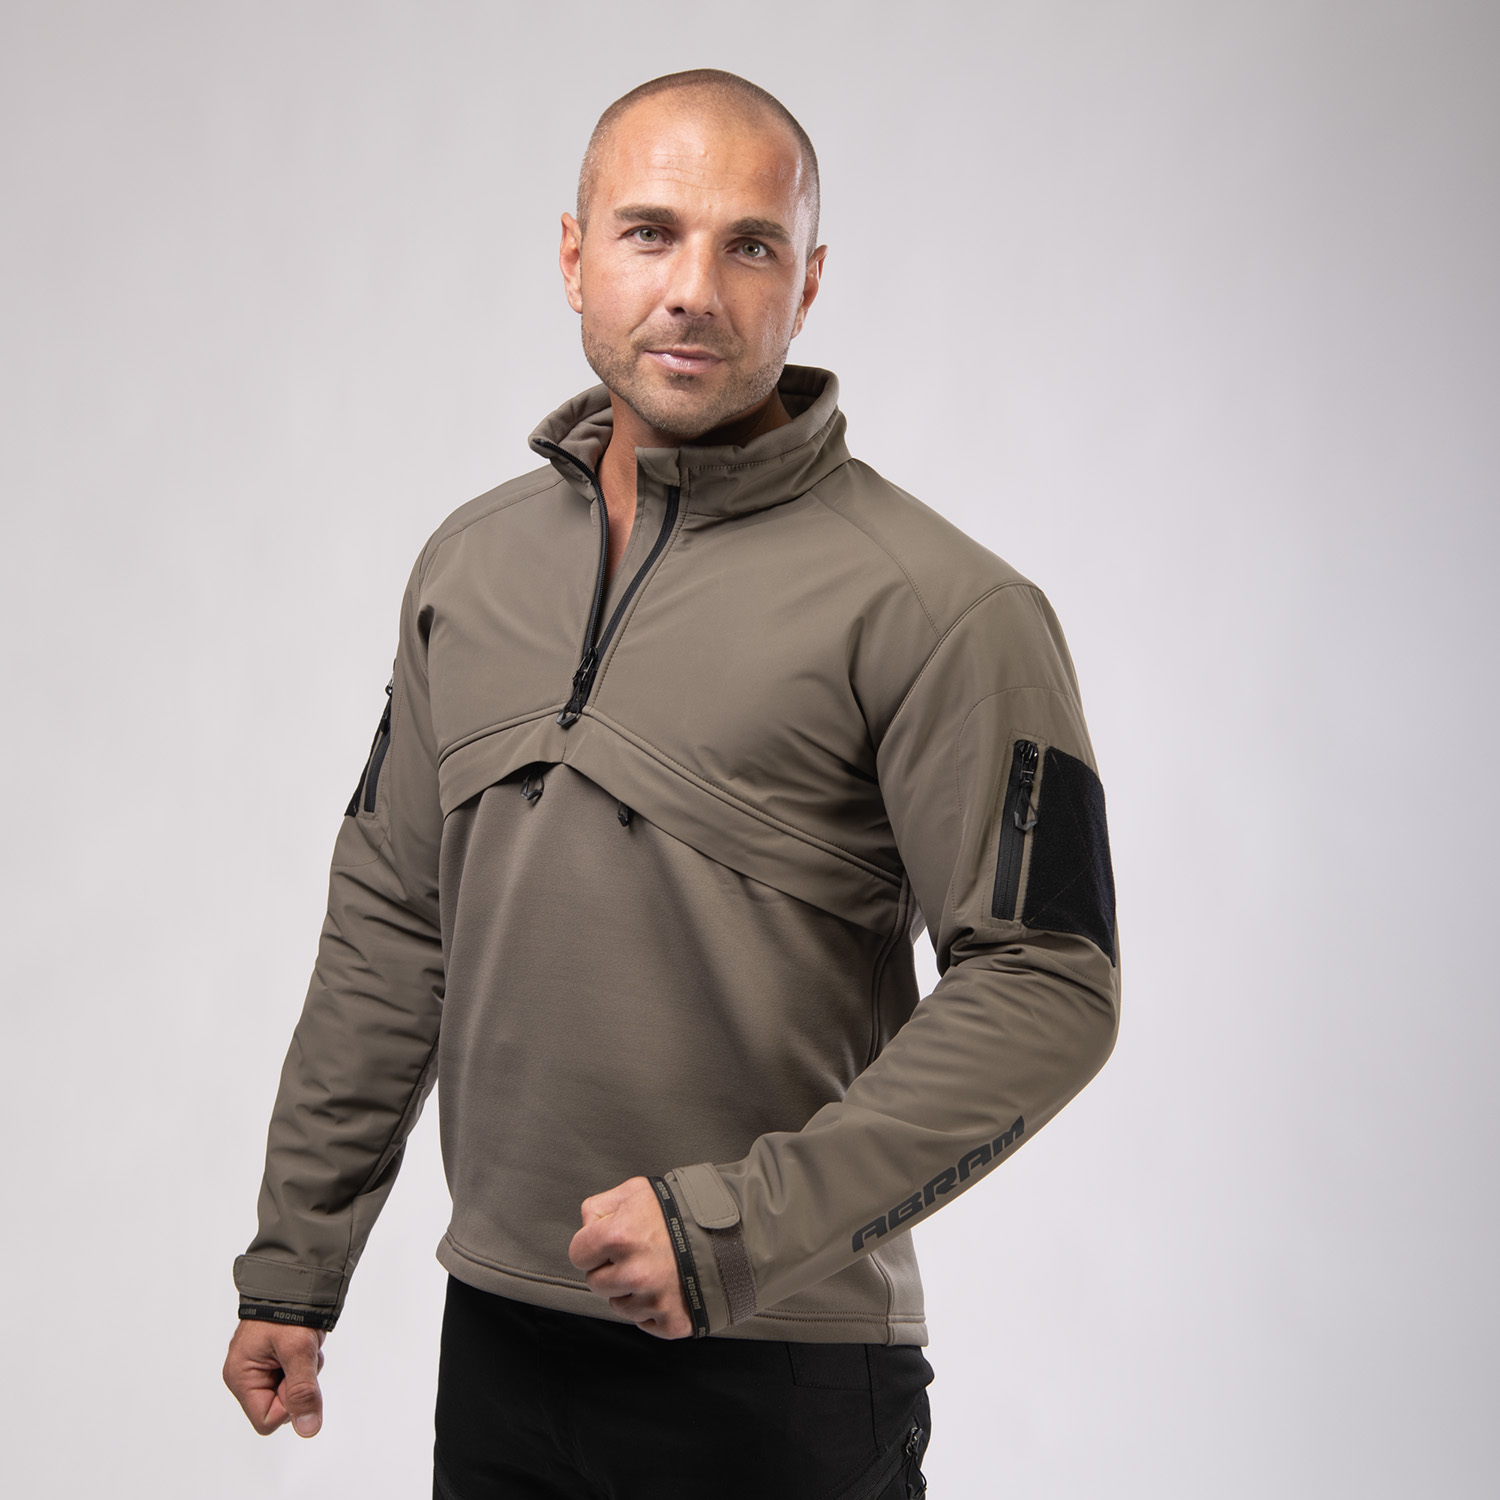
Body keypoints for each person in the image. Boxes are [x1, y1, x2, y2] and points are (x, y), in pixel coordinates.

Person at [222, 68, 1120, 1500]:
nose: (694, 288)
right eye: (650, 232)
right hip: (501, 1345)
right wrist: (297, 1261)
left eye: (749, 244)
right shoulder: (470, 566)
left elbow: (1047, 983)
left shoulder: (948, 609)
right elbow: (394, 919)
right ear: (574, 253)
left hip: (780, 1369)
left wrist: (738, 1230)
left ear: (807, 282)